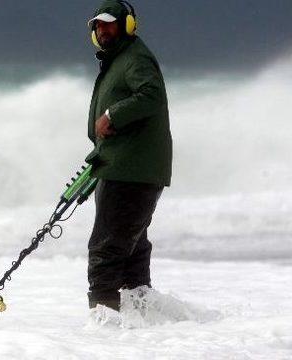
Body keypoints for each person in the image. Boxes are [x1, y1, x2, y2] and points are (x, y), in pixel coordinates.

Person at [83, 0, 172, 311]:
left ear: (128, 25)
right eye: (98, 25)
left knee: (106, 250)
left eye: (109, 23)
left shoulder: (135, 58)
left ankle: (104, 326)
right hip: (125, 167)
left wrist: (112, 114)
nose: (103, 30)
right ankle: (140, 320)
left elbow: (151, 95)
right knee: (131, 250)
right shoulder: (120, 60)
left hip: (131, 172)